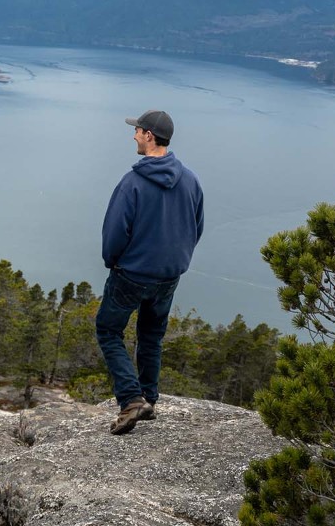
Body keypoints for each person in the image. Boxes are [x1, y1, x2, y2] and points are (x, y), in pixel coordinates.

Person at [97, 109, 205, 435]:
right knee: (152, 336)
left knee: (108, 330)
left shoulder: (133, 183)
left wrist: (111, 261)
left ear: (149, 136)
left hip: (131, 273)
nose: (134, 135)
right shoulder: (190, 180)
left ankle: (131, 399)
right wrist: (176, 260)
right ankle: (149, 399)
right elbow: (195, 228)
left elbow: (115, 232)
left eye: (138, 130)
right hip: (168, 276)